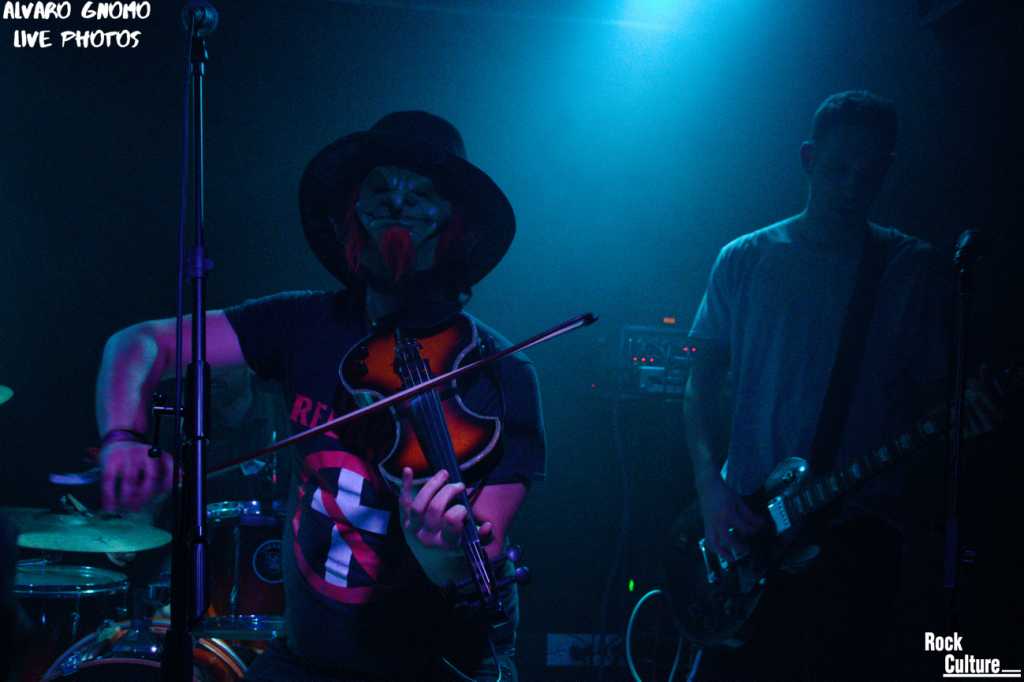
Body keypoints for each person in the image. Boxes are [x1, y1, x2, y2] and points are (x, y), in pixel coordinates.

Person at [95, 111, 545, 681]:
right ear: (351, 218)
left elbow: (479, 550)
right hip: (305, 659)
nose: (398, 206)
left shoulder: (500, 371)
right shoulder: (303, 323)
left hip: (439, 664)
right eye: (380, 192)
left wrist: (435, 548)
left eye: (421, 196)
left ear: (457, 227)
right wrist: (123, 437)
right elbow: (142, 344)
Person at [682, 90, 996, 680]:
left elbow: (935, 402)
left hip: (859, 541)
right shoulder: (743, 259)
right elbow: (700, 382)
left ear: (888, 170)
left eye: (869, 173)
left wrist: (967, 420)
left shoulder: (913, 269)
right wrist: (709, 487)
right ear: (808, 159)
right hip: (747, 529)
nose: (854, 185)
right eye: (838, 169)